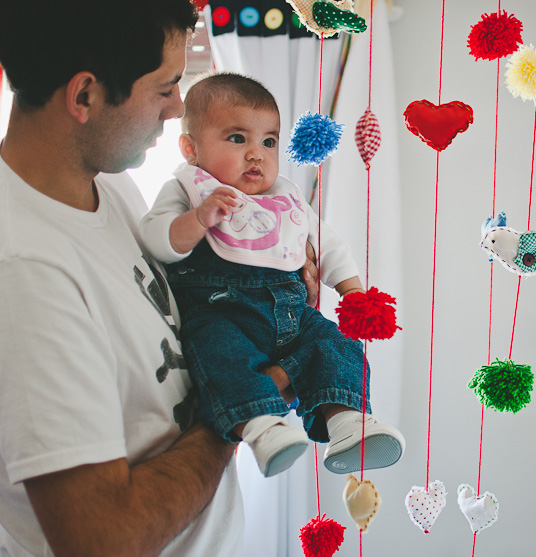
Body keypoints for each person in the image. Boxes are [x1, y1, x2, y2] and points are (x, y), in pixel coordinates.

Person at [0, 2, 315, 555]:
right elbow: (102, 540)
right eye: (166, 87)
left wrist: (266, 291)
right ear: (84, 96)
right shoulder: (24, 271)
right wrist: (248, 405)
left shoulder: (108, 187)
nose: (177, 109)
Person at [139, 72, 405, 478]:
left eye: (268, 141)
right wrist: (197, 218)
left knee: (334, 345)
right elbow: (157, 239)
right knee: (220, 356)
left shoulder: (285, 198)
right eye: (237, 138)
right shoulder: (188, 190)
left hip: (292, 316)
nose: (256, 154)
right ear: (190, 149)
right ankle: (262, 428)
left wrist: (353, 293)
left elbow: (328, 244)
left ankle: (348, 422)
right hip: (222, 314)